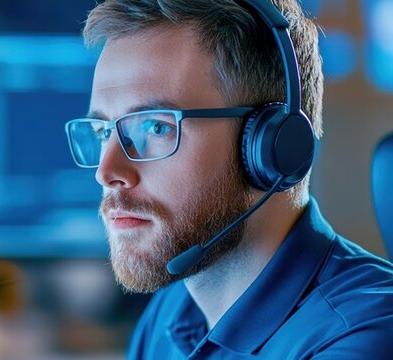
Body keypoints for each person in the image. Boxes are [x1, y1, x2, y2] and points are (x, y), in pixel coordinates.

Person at [65, 0, 393, 358]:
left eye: (155, 127)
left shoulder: (363, 334)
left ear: (270, 148)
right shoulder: (172, 313)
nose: (106, 172)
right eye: (102, 132)